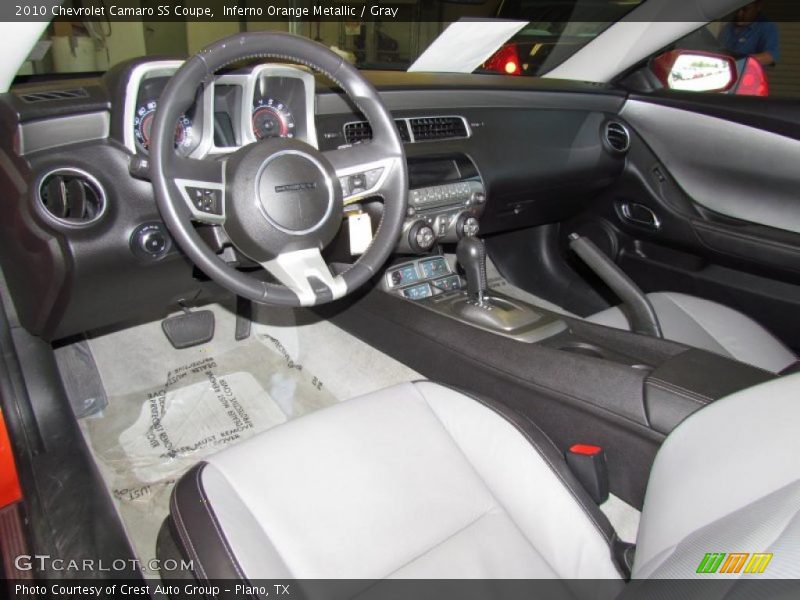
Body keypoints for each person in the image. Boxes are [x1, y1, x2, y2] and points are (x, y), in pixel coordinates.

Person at [719, 0, 780, 66]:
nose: (739, 14)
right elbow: (717, 50)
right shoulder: (728, 26)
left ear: (758, 6)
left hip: (748, 75)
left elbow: (770, 57)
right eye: (736, 9)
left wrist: (737, 60)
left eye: (745, 9)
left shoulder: (766, 26)